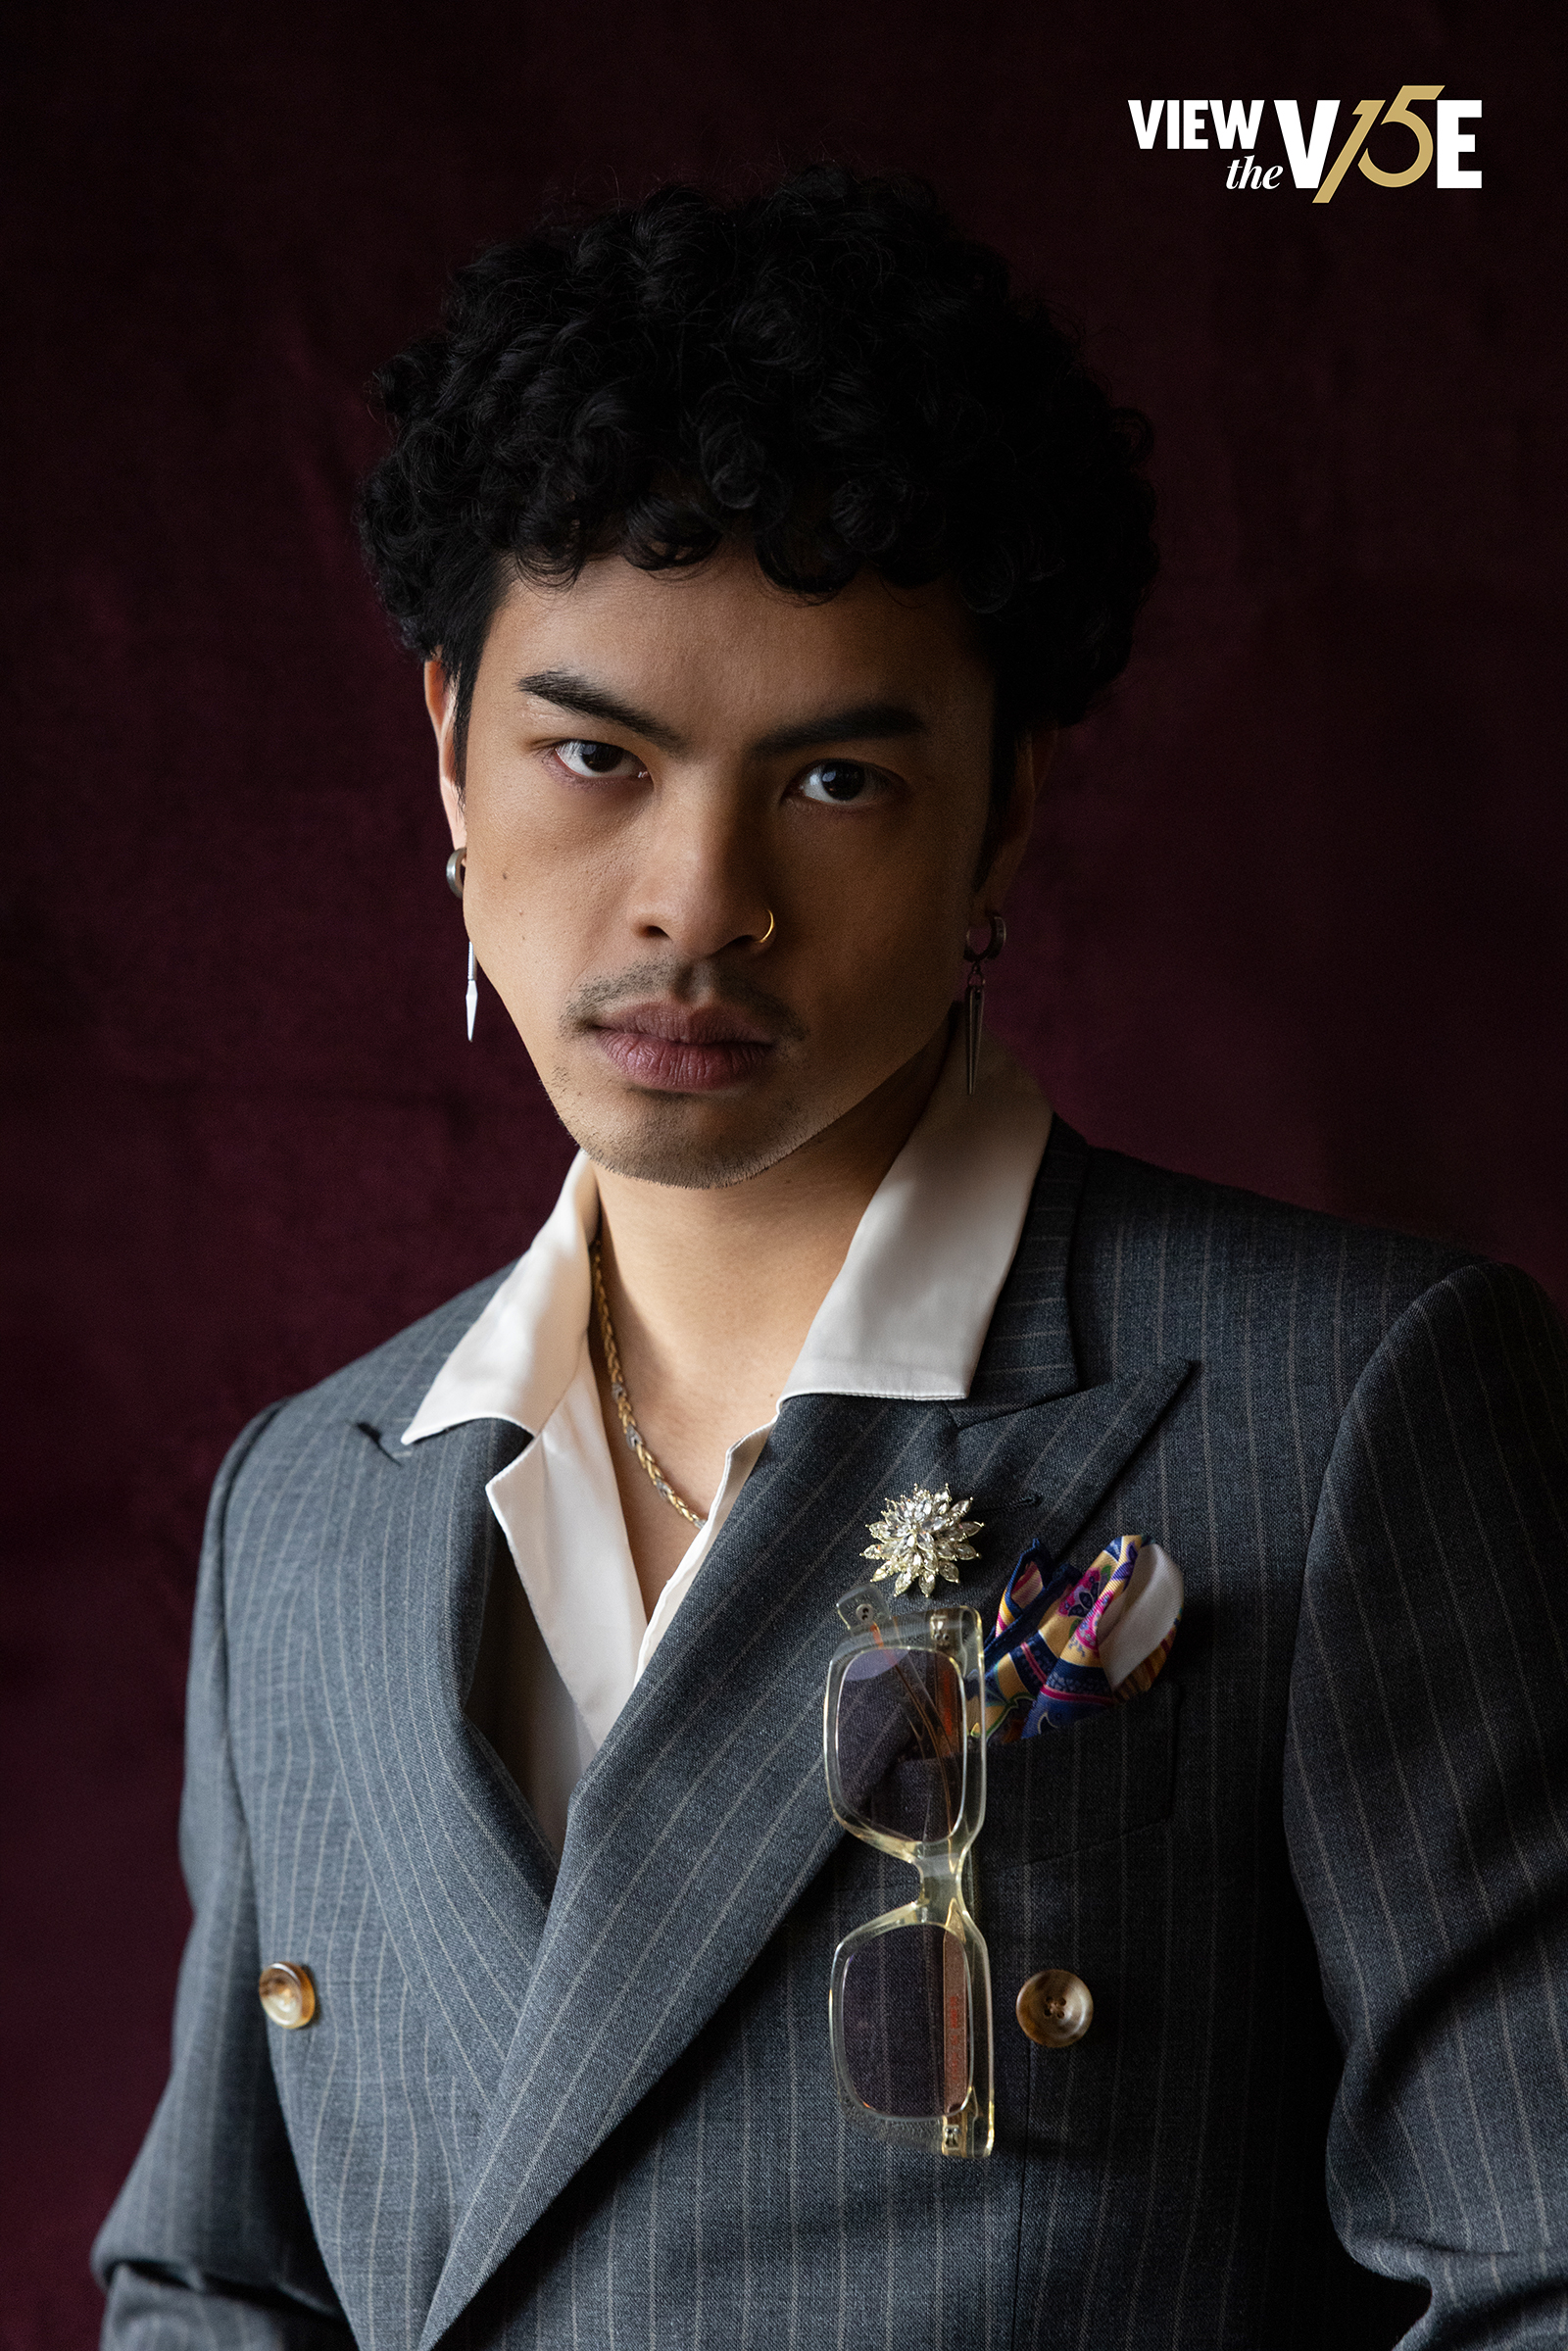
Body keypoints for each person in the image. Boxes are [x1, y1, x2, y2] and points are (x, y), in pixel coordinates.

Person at [94, 168, 1568, 2349]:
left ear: (1003, 812)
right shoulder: (305, 1504)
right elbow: (213, 2281)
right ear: (448, 753)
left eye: (837, 783)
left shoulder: (1345, 1406)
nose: (698, 898)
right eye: (594, 755)